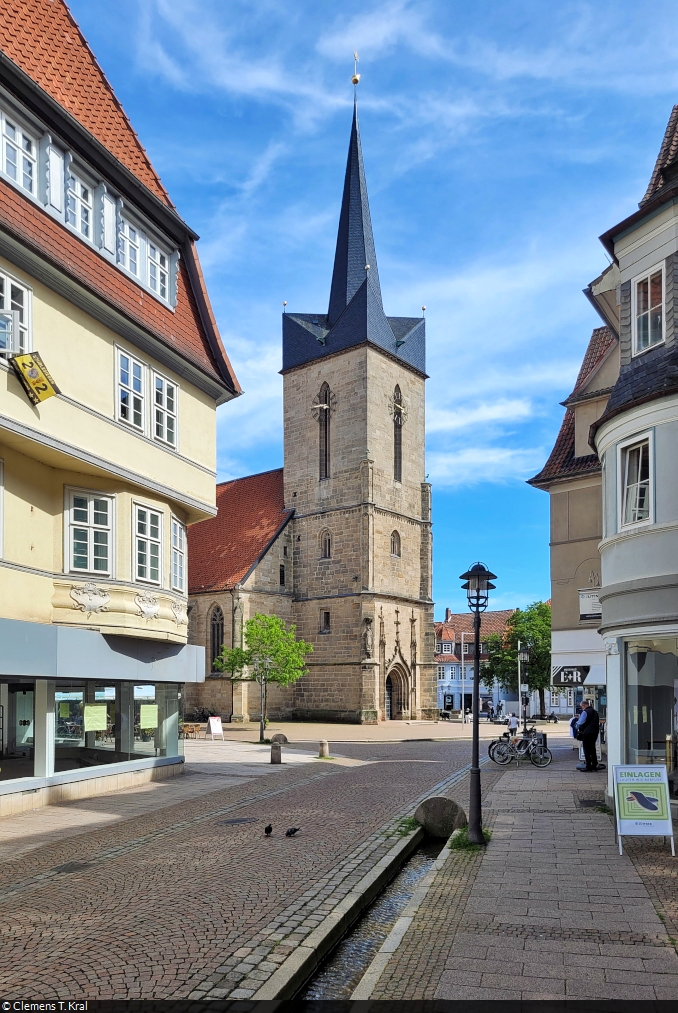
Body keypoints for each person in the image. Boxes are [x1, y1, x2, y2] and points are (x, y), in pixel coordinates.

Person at [576, 699, 600, 772]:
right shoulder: (595, 712)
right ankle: (594, 765)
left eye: (582, 707)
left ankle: (588, 766)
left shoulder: (585, 712)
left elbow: (580, 723)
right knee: (593, 748)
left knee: (586, 749)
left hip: (587, 733)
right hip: (595, 732)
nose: (582, 708)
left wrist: (576, 726)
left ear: (584, 705)